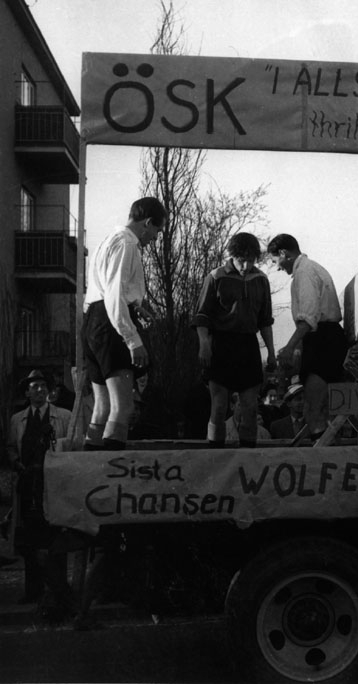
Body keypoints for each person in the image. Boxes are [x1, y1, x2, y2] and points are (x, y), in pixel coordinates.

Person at [80, 196, 167, 450]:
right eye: (157, 230)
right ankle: (110, 470)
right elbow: (114, 295)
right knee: (123, 407)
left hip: (93, 321)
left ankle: (91, 468)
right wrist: (133, 340)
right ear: (147, 223)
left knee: (102, 406)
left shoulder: (107, 241)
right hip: (110, 324)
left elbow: (106, 290)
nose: (155, 238)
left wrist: (136, 306)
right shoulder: (127, 244)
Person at [192, 232, 276, 448]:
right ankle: (215, 454)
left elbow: (265, 320)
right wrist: (204, 344)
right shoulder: (216, 276)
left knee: (250, 408)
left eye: (251, 260)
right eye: (241, 260)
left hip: (248, 345)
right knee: (219, 407)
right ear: (232, 256)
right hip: (221, 344)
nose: (246, 265)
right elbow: (202, 316)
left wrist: (271, 352)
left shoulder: (261, 280)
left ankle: (248, 456)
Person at [268, 233, 348, 441]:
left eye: (276, 261)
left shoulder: (305, 272)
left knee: (312, 408)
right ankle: (327, 451)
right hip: (323, 339)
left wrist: (290, 346)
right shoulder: (311, 269)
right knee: (322, 409)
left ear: (283, 253)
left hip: (323, 340)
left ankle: (324, 456)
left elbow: (308, 318)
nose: (278, 268)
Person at [6, 370, 71, 607]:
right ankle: (33, 591)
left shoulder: (64, 417)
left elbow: (72, 447)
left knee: (55, 537)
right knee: (29, 541)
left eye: (43, 386)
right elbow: (11, 447)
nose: (40, 390)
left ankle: (59, 590)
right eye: (34, 387)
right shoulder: (17, 420)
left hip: (53, 485)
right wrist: (16, 462)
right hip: (27, 485)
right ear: (27, 392)